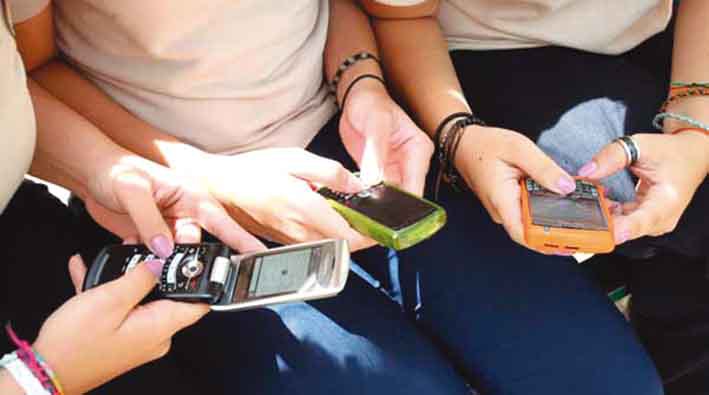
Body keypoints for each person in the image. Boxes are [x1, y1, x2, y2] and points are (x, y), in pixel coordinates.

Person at [9, 1, 484, 394]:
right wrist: (207, 177)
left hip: (340, 135)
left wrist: (362, 83)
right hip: (170, 191)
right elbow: (30, 72)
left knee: (546, 356)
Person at [362, 0, 707, 394]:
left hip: (667, 31)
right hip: (492, 50)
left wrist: (696, 127)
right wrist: (458, 135)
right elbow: (401, 16)